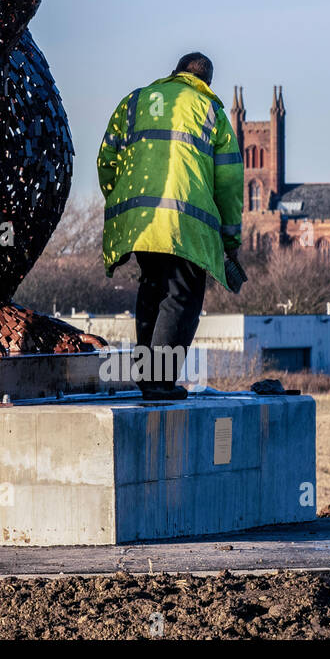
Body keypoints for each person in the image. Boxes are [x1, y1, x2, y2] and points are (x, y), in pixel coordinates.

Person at [97, 53, 244, 400]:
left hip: (141, 223)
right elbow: (229, 181)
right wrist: (230, 238)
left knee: (152, 290)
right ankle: (159, 383)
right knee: (180, 297)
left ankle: (148, 380)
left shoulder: (134, 101)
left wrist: (122, 205)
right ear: (205, 81)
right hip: (185, 225)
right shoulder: (211, 112)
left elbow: (107, 160)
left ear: (175, 73)